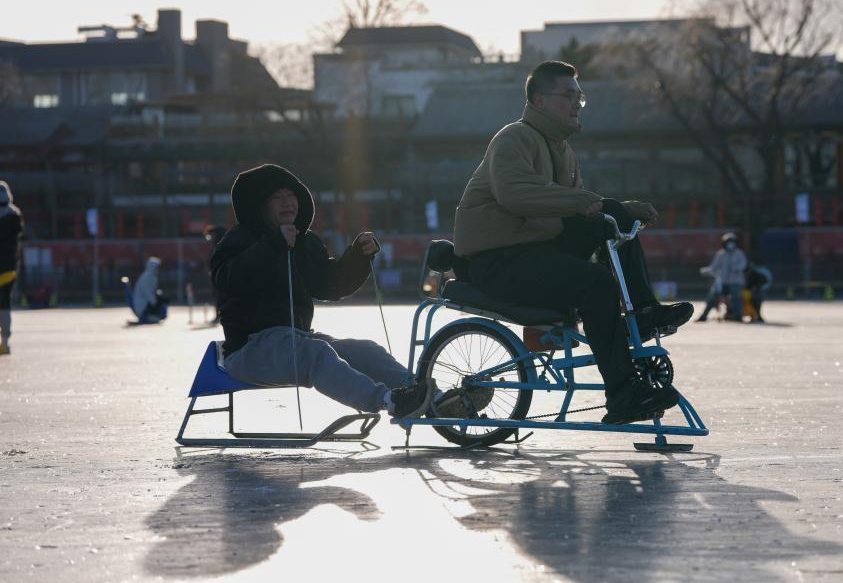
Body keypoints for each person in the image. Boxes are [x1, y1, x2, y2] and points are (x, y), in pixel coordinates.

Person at [452, 61, 694, 425]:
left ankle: (644, 311)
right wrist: (581, 200)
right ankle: (622, 395)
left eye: (580, 97)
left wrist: (621, 209)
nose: (577, 104)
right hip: (496, 260)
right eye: (568, 96)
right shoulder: (514, 138)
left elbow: (581, 210)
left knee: (614, 218)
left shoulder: (563, 150)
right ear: (539, 100)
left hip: (535, 250)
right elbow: (515, 194)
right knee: (597, 283)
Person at [211, 163, 437, 419]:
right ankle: (389, 401)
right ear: (259, 204)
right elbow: (229, 281)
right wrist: (273, 246)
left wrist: (358, 257)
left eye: (291, 195)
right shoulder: (236, 242)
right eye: (277, 197)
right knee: (316, 354)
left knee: (366, 351)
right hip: (250, 349)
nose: (287, 203)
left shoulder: (303, 241)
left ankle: (432, 398)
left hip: (298, 337)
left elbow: (329, 284)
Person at [696, 233, 747, 322]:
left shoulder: (739, 254)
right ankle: (703, 316)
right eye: (728, 242)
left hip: (735, 282)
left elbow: (743, 265)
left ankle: (738, 316)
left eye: (732, 242)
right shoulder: (720, 254)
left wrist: (736, 268)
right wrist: (706, 270)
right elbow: (714, 267)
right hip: (722, 282)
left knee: (736, 297)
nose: (730, 244)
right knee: (712, 297)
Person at [0, 181, 23, 355]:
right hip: (9, 267)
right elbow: (20, 235)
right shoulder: (14, 214)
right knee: (5, 303)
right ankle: (5, 341)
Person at [132, 256, 169, 323]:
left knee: (163, 301)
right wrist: (156, 302)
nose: (158, 269)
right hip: (142, 305)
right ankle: (147, 316)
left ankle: (154, 316)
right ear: (153, 267)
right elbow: (148, 293)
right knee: (160, 303)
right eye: (157, 268)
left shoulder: (153, 277)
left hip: (147, 302)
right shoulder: (146, 277)